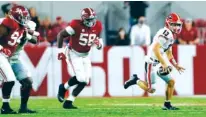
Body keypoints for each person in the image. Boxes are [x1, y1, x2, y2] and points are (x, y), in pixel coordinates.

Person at [124, 13, 185, 110]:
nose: (176, 27)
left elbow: (169, 52)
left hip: (159, 62)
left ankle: (167, 104)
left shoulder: (171, 35)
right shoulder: (165, 33)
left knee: (171, 82)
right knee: (151, 89)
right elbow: (156, 50)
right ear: (168, 24)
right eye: (174, 24)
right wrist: (165, 64)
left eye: (178, 24)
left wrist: (175, 65)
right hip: (151, 63)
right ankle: (135, 80)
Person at [57, 8, 103, 109]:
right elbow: (61, 35)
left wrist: (99, 45)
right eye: (89, 20)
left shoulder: (98, 25)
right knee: (81, 78)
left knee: (85, 81)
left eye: (92, 19)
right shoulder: (76, 25)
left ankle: (69, 102)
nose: (91, 22)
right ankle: (63, 87)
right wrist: (60, 51)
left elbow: (99, 42)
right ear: (83, 19)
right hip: (73, 53)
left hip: (85, 55)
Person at [0, 5, 30, 114]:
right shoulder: (9, 22)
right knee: (9, 79)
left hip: (9, 57)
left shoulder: (21, 27)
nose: (25, 19)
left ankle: (6, 107)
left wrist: (32, 35)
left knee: (11, 80)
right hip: (1, 54)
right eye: (22, 17)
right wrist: (2, 48)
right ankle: (5, 107)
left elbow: (36, 39)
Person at [9, 20, 39, 113]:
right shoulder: (12, 31)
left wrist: (27, 34)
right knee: (8, 82)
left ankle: (23, 108)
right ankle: (6, 107)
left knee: (27, 82)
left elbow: (35, 40)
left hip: (14, 60)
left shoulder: (26, 32)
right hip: (3, 58)